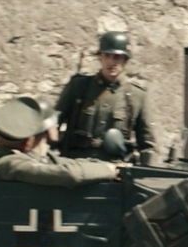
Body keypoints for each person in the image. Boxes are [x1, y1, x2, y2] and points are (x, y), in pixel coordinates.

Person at [56, 31, 158, 164]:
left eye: (117, 57)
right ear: (100, 57)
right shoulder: (79, 87)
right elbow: (54, 123)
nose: (111, 62)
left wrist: (144, 171)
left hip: (115, 167)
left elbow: (148, 145)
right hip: (76, 163)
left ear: (125, 60)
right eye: (107, 56)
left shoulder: (136, 96)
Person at [0, 97, 121, 187]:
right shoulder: (9, 164)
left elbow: (61, 162)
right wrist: (111, 170)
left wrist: (112, 165)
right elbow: (69, 174)